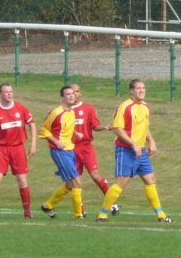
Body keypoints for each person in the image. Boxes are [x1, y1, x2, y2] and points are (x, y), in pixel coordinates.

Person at [95, 79, 172, 223]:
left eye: (143, 87)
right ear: (131, 90)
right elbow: (118, 129)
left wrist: (151, 141)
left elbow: (144, 127)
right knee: (120, 183)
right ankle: (102, 215)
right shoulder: (125, 107)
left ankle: (161, 215)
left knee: (150, 180)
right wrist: (133, 144)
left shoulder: (146, 107)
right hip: (125, 150)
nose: (142, 90)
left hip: (141, 151)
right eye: (138, 88)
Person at [0, 83, 37, 219]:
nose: (9, 94)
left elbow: (32, 124)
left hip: (18, 149)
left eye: (11, 91)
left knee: (22, 180)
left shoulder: (20, 108)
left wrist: (33, 144)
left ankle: (27, 212)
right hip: (1, 149)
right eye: (6, 92)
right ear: (0, 94)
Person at [69, 84, 118, 216]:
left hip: (85, 147)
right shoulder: (63, 110)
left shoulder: (88, 108)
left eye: (77, 91)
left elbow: (95, 126)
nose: (74, 94)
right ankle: (80, 211)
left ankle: (112, 203)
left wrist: (105, 127)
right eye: (71, 92)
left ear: (80, 93)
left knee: (95, 175)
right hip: (70, 149)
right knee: (75, 180)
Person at [39, 85, 84, 219]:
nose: (72, 96)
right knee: (77, 181)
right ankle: (78, 215)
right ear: (62, 98)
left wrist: (76, 133)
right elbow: (44, 130)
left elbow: (65, 127)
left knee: (70, 184)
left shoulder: (71, 111)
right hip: (59, 151)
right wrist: (56, 142)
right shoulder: (56, 113)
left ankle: (48, 205)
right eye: (68, 94)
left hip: (70, 150)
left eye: (72, 94)